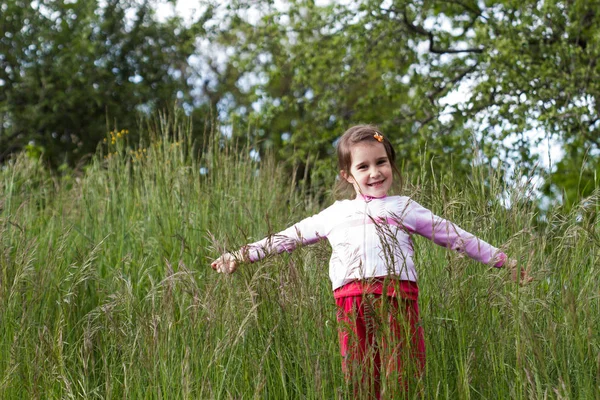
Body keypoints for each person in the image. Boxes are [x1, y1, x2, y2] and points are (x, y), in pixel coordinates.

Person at [211, 124, 529, 398]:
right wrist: (239, 255)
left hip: (397, 298)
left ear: (391, 164)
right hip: (351, 302)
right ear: (347, 175)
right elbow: (287, 237)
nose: (375, 172)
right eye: (363, 167)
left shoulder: (404, 206)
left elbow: (454, 235)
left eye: (382, 162)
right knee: (361, 377)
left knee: (403, 374)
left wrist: (503, 261)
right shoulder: (335, 213)